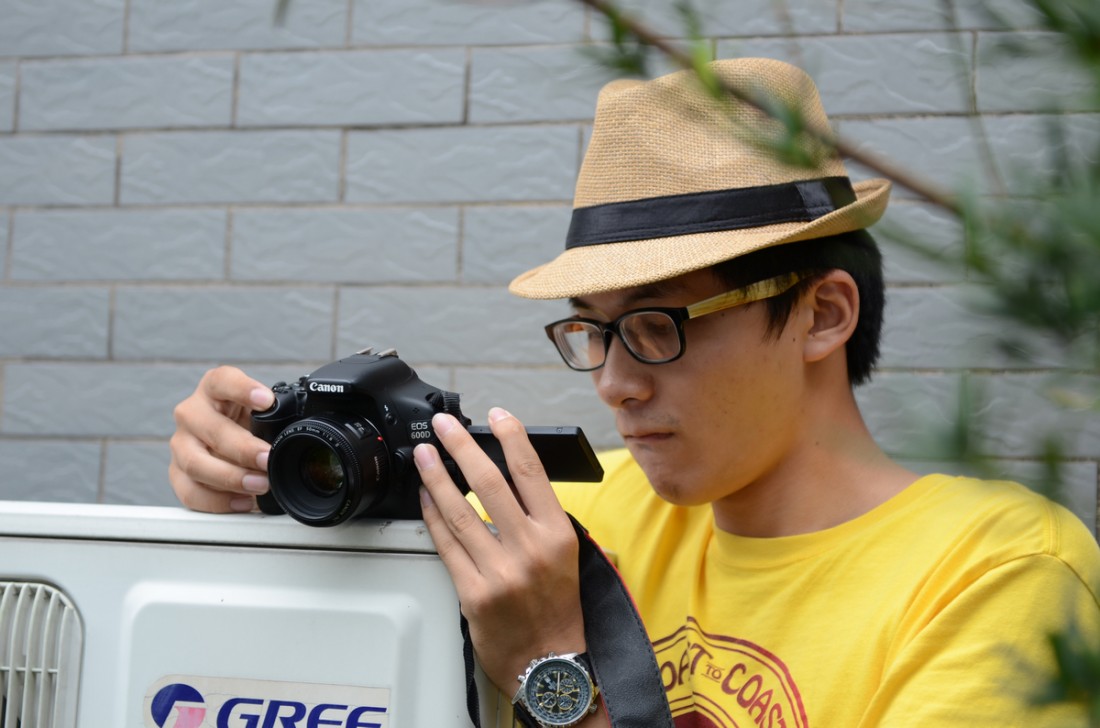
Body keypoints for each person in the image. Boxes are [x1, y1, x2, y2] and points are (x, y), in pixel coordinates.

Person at [170, 58, 1100, 727]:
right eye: (593, 330)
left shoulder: (996, 576)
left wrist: (552, 671)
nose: (614, 384)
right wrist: (249, 486)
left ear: (822, 314)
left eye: (658, 326)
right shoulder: (575, 513)